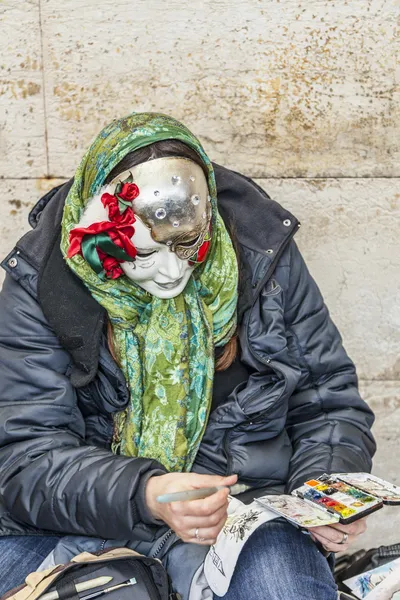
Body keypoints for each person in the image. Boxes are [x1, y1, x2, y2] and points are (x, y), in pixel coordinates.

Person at [0, 112, 376, 599]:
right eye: (142, 255)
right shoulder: (41, 278)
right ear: (99, 235)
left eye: (186, 245)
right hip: (80, 517)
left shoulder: (263, 256)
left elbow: (327, 401)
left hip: (242, 513)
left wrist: (321, 492)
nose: (169, 273)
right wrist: (145, 494)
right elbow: (23, 452)